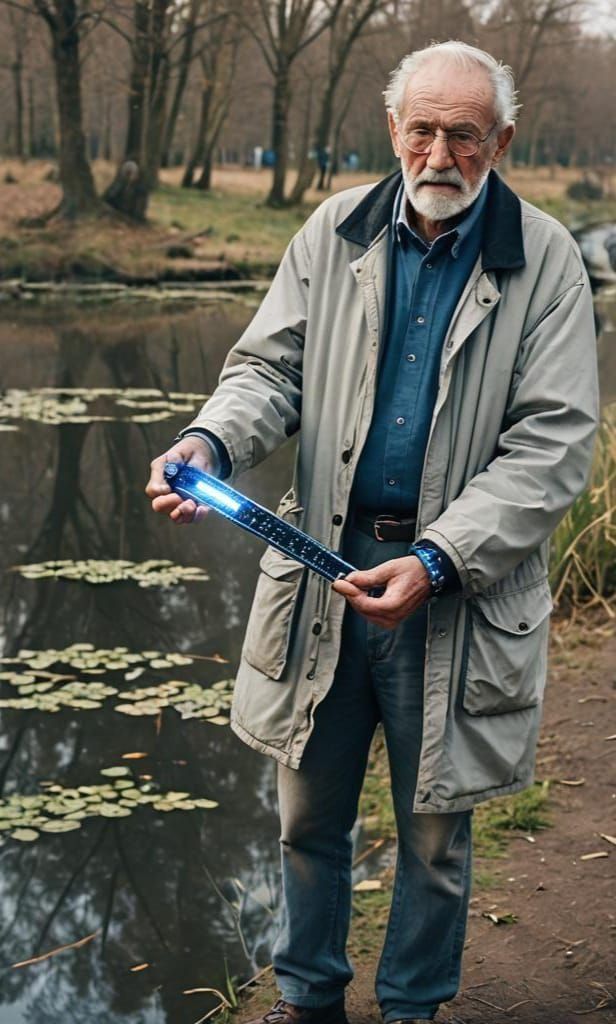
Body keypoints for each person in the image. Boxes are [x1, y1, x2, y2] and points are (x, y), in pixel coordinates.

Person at [146, 41, 598, 1024]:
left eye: (464, 134)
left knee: (435, 835)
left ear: (501, 141)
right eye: (423, 129)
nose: (440, 152)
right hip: (323, 580)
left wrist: (439, 558)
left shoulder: (548, 259)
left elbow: (555, 442)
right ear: (392, 129)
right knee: (306, 818)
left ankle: (413, 1009)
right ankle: (306, 1000)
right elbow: (267, 371)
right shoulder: (332, 229)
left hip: (453, 593)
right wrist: (211, 441)